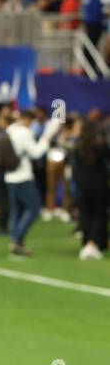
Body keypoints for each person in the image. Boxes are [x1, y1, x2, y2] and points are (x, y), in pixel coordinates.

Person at [3, 107, 61, 256]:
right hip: (22, 176)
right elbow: (36, 153)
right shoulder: (24, 132)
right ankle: (16, 240)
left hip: (9, 176)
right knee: (33, 208)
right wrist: (46, 138)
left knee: (16, 211)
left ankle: (15, 242)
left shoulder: (10, 130)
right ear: (28, 119)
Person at [73, 110, 108, 260]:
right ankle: (93, 244)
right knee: (99, 214)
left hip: (82, 184)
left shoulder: (77, 146)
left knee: (85, 214)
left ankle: (86, 243)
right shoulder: (101, 145)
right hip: (99, 184)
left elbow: (75, 167)